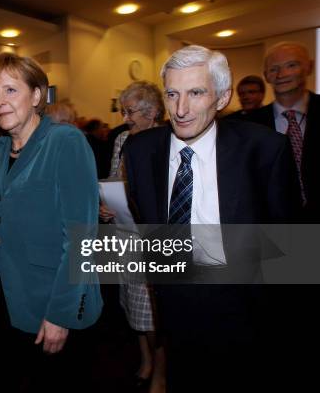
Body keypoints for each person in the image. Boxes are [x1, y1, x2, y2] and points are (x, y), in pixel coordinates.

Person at [122, 45, 299, 392]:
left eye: (196, 93)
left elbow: (288, 246)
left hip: (245, 311)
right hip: (174, 308)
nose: (181, 109)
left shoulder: (264, 149)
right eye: (172, 94)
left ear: (221, 98)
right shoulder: (141, 151)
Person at [0, 52, 103, 391]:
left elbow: (82, 238)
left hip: (49, 305)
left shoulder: (65, 142)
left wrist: (61, 313)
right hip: (2, 300)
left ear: (36, 96)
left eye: (10, 90)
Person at [100, 81, 166, 393]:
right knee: (132, 305)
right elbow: (115, 177)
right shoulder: (123, 139)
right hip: (124, 232)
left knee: (155, 310)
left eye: (131, 111)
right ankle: (146, 360)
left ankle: (161, 372)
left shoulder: (169, 138)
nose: (125, 117)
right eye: (123, 110)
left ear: (153, 112)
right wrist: (105, 205)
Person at [243, 42, 319, 221]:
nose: (281, 75)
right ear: (266, 76)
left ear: (309, 67)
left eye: (291, 65)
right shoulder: (249, 126)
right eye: (274, 69)